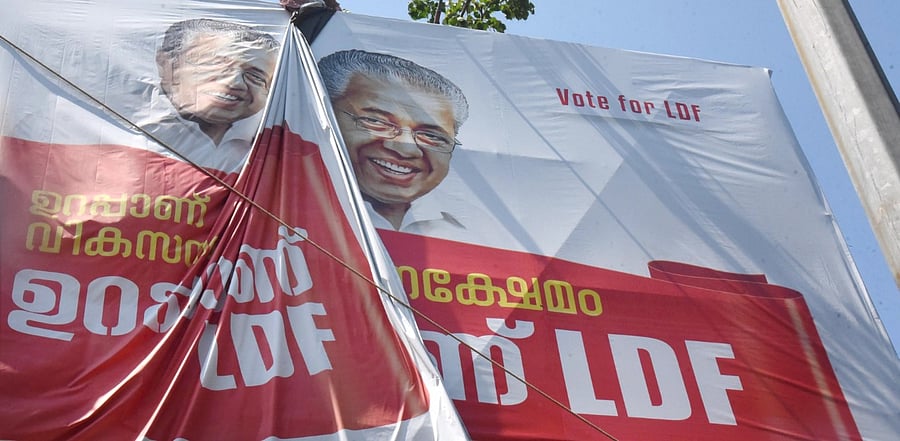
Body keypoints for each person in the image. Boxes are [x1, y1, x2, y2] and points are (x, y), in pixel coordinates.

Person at [318, 49, 517, 248]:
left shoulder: (483, 229)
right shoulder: (292, 203)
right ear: (324, 115)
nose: (406, 150)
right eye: (376, 121)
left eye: (431, 136)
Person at [138, 18, 280, 173]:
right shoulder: (119, 125)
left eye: (256, 76)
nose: (233, 82)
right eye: (214, 65)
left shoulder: (280, 143)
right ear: (166, 63)